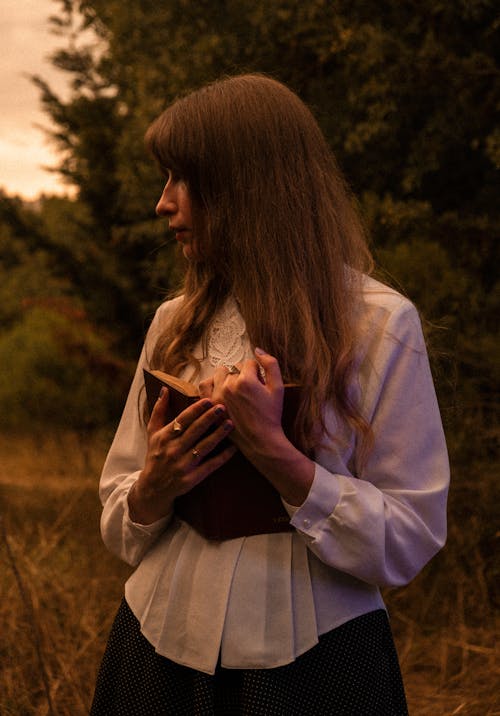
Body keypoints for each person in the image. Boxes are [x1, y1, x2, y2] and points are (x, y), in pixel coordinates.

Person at [90, 74, 449, 715]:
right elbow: (118, 513)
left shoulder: (380, 324)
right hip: (155, 654)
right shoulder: (173, 323)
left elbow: (411, 537)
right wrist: (155, 485)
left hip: (318, 670)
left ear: (244, 188)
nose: (163, 203)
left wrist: (281, 460)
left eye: (181, 179)